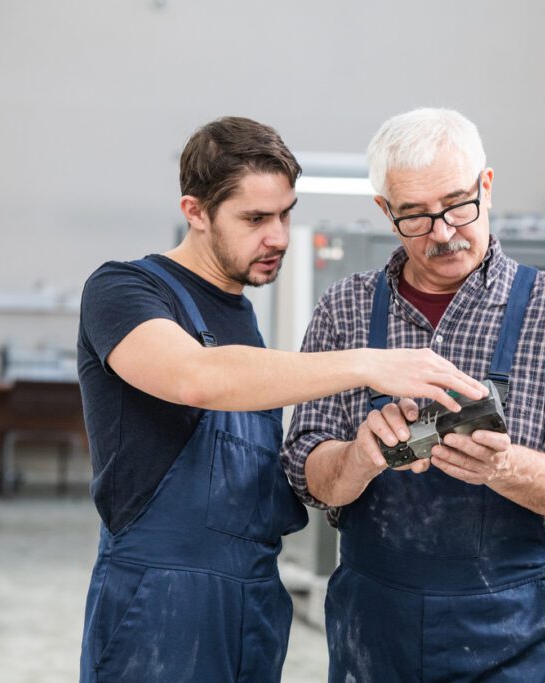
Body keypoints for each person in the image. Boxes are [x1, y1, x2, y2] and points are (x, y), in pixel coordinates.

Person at [76, 116, 486, 683]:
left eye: (286, 213)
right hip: (160, 605)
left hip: (254, 601)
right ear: (195, 211)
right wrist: (372, 362)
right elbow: (194, 375)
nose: (279, 237)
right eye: (255, 218)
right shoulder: (124, 290)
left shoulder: (243, 320)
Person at [281, 108, 545, 681]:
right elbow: (303, 469)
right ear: (385, 214)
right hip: (374, 628)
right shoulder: (345, 309)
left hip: (512, 632)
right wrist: (358, 459)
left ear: (486, 187)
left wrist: (504, 466)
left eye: (457, 205)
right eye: (415, 216)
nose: (442, 232)